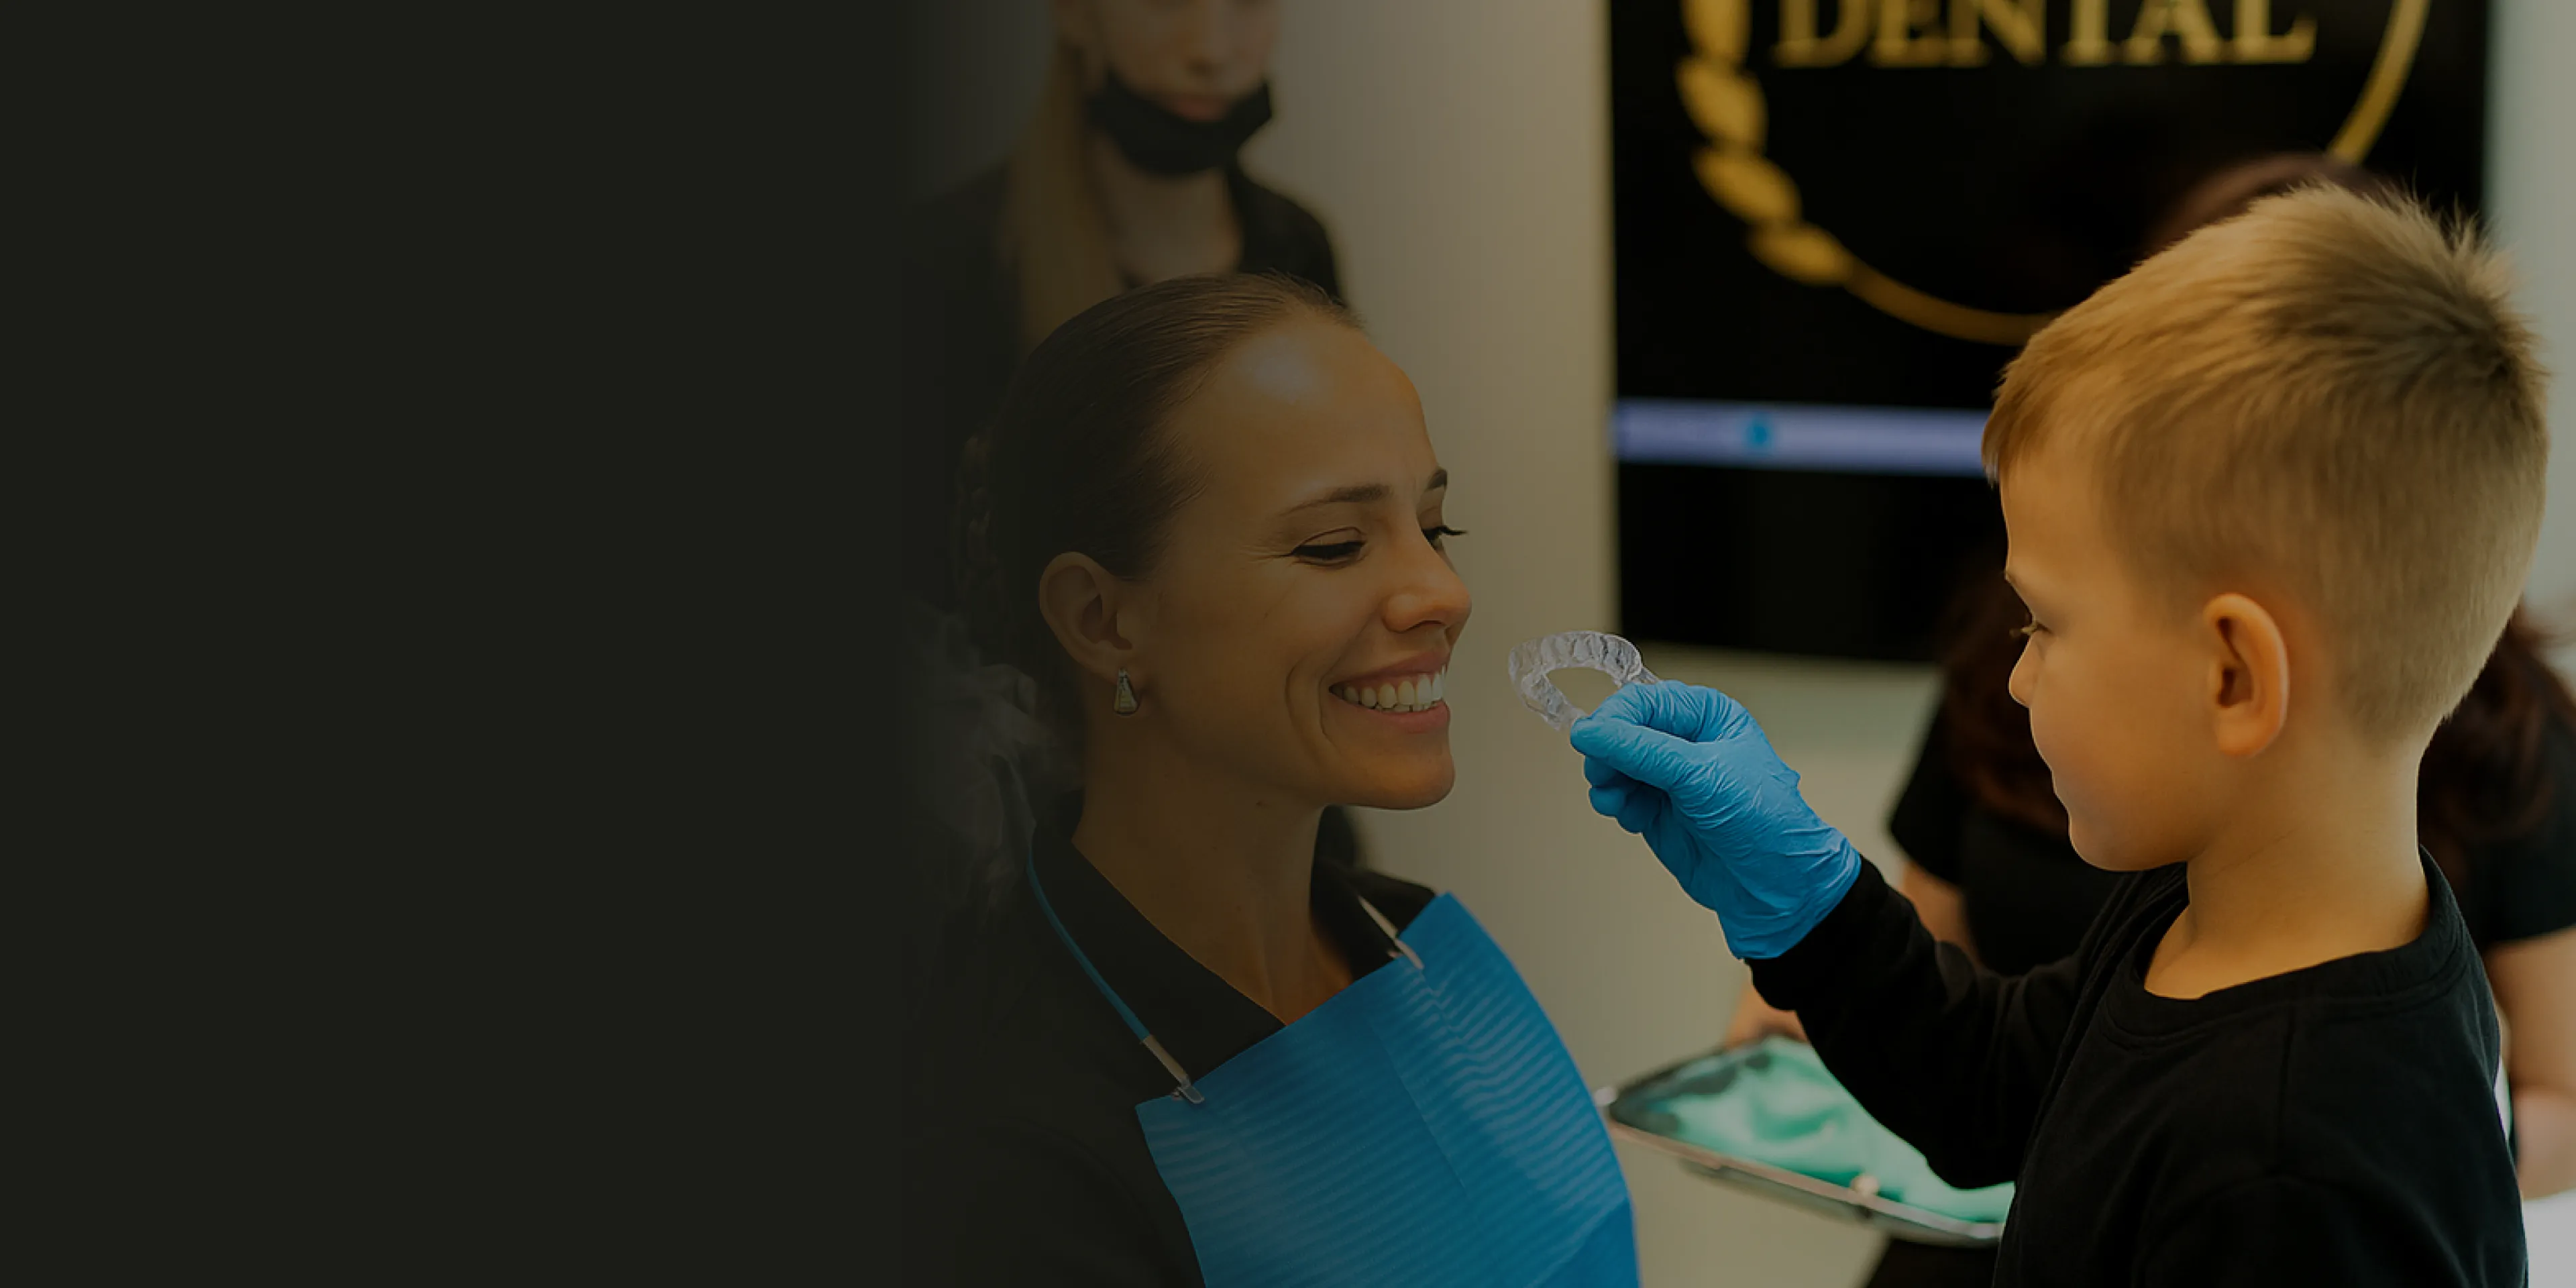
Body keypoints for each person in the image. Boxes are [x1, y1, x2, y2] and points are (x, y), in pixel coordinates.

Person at [1575, 186, 2540, 1284]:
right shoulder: (2205, 904)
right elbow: (1993, 1095)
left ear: (2232, 676)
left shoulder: (2287, 1176)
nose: (2020, 677)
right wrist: (1809, 903)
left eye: (2044, 622)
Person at [902, 274, 1638, 1286]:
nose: (1443, 592)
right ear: (1103, 621)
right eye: (1334, 545)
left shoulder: (1413, 945)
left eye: (1436, 527)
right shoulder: (1020, 1151)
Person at [903, 0, 1340, 613]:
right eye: (1165, 3)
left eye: (1249, 2)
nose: (1210, 50)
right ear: (1076, 14)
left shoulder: (1297, 251)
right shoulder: (946, 263)